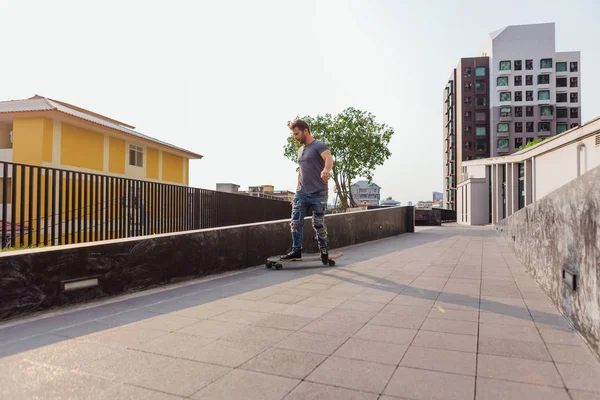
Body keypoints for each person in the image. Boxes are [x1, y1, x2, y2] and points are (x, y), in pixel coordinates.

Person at [281, 119, 334, 264]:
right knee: (295, 222)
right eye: (293, 134)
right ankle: (296, 250)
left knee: (318, 223)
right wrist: (297, 190)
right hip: (302, 193)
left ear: (305, 131)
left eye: (297, 133)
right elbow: (301, 170)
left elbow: (328, 158)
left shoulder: (319, 145)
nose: (295, 137)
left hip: (319, 193)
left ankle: (323, 248)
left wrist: (326, 170)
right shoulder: (300, 150)